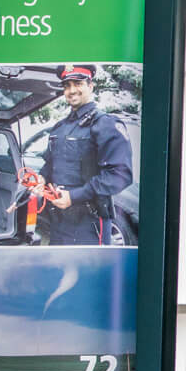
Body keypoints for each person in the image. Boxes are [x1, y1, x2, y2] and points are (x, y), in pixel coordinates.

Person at [40, 64, 134, 245]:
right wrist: (41, 179)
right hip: (58, 221)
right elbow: (50, 165)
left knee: (90, 272)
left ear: (90, 86)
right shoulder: (59, 128)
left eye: (78, 84)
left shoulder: (105, 124)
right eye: (67, 85)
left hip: (89, 224)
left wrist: (73, 197)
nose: (72, 90)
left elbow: (120, 175)